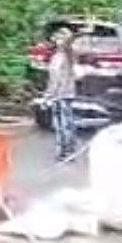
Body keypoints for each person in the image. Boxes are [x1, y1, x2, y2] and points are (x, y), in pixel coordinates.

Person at [43, 27, 77, 161]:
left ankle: (64, 151)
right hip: (68, 93)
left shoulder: (60, 56)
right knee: (68, 122)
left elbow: (55, 78)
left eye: (57, 38)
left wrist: (48, 96)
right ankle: (70, 149)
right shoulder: (70, 55)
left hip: (59, 95)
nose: (55, 41)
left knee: (61, 125)